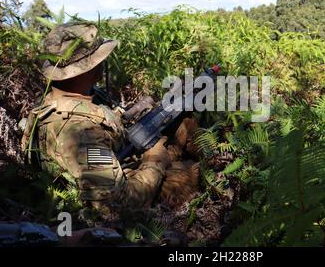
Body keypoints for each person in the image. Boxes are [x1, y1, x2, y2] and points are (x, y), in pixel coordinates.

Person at [21, 22, 199, 215]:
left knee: (184, 127)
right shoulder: (82, 133)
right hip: (116, 194)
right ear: (88, 68)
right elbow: (117, 206)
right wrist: (155, 160)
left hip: (115, 164)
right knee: (191, 172)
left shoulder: (52, 101)